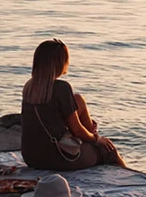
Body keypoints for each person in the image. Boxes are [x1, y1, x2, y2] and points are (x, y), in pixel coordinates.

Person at [21, 38, 126, 170]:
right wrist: (96, 139)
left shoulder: (29, 87)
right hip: (58, 157)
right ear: (60, 62)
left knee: (78, 100)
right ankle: (132, 178)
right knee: (108, 150)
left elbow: (47, 119)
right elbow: (77, 130)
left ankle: (92, 137)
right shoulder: (61, 88)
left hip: (31, 157)